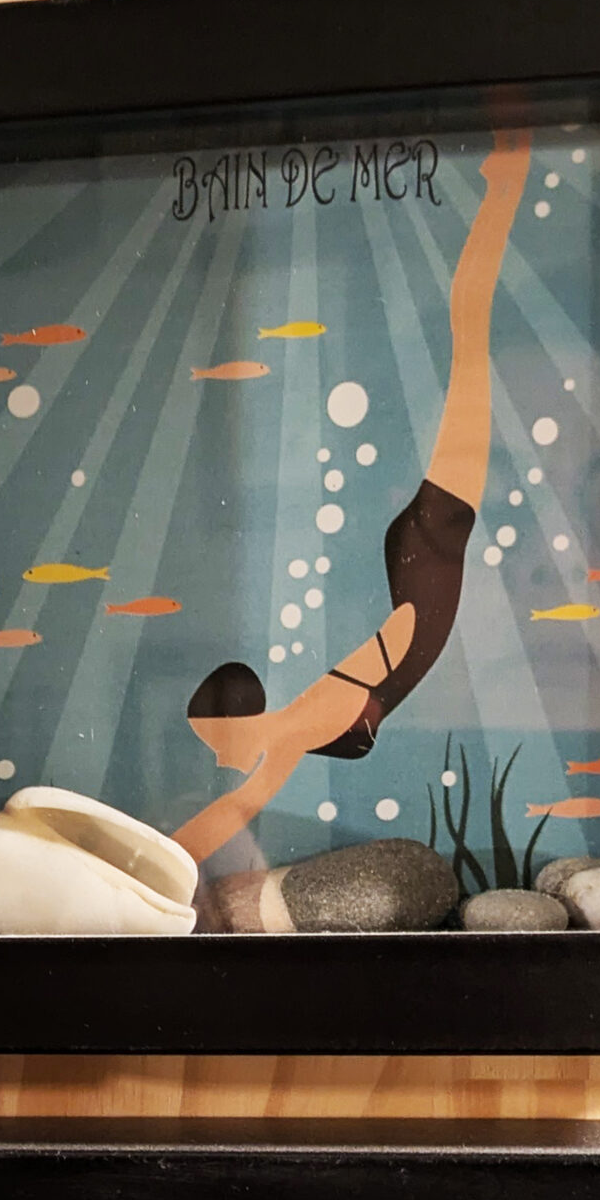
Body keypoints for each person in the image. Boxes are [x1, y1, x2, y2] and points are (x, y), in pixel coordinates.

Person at [174, 131, 533, 865]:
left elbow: (398, 637)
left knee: (470, 333)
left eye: (216, 742)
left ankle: (505, 185)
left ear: (239, 723)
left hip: (435, 539)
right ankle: (504, 187)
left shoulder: (306, 720)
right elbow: (240, 805)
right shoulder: (294, 733)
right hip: (426, 553)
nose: (220, 759)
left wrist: (148, 859)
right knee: (468, 336)